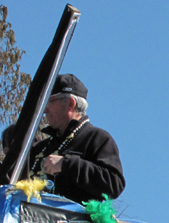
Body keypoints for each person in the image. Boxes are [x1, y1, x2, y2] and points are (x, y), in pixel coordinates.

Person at [29, 74, 125, 204]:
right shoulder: (42, 147)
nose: (45, 109)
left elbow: (114, 184)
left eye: (50, 101)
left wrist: (67, 165)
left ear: (70, 103)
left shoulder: (97, 139)